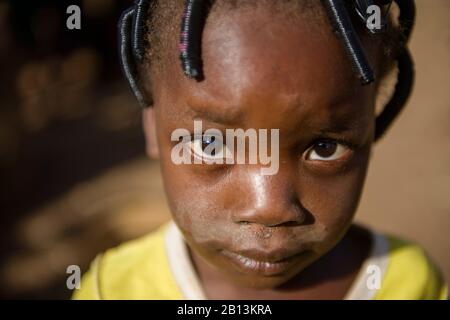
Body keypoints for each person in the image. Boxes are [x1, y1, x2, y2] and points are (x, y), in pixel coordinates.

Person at [73, 0, 447, 300]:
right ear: (151, 128)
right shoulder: (113, 289)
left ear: (373, 128)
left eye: (325, 147)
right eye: (210, 144)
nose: (269, 207)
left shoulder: (412, 284)